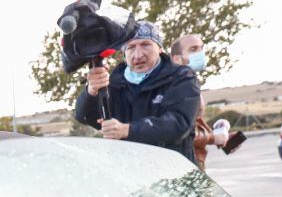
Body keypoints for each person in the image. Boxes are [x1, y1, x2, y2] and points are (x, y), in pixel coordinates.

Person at [75, 20, 202, 163]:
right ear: (124, 53)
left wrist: (127, 130)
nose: (138, 55)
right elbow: (84, 116)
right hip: (130, 173)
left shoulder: (181, 77)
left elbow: (179, 123)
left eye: (146, 45)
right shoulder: (114, 82)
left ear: (160, 48)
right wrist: (91, 91)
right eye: (130, 47)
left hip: (173, 172)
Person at [170, 34, 242, 170]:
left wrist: (220, 138)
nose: (200, 53)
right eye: (193, 49)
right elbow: (179, 132)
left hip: (194, 161)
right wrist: (213, 138)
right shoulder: (177, 87)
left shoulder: (190, 82)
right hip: (183, 165)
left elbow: (194, 124)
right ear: (177, 59)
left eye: (201, 48)